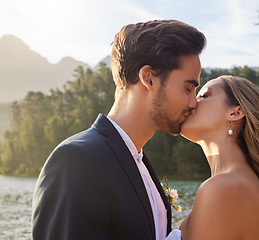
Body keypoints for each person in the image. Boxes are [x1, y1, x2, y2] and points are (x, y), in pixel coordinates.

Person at [31, 19, 206, 240]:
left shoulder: (141, 164)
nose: (193, 103)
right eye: (188, 88)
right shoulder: (76, 160)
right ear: (148, 78)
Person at [165, 76, 259, 240]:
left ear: (235, 112)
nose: (192, 102)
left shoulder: (224, 188)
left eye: (204, 96)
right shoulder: (239, 184)